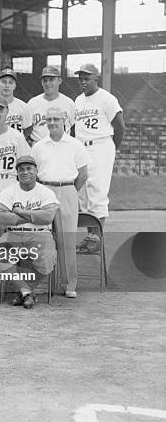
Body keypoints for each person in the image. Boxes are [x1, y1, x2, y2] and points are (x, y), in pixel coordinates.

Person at [32, 107, 89, 298]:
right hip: (45, 191)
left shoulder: (75, 144)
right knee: (42, 239)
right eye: (49, 119)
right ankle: (42, 283)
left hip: (67, 190)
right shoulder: (39, 146)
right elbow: (33, 174)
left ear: (64, 119)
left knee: (67, 240)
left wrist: (69, 190)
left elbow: (83, 174)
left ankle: (69, 283)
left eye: (56, 119)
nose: (53, 122)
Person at [0, 156, 59, 309]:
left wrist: (19, 211)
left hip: (40, 233)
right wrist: (31, 216)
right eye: (21, 169)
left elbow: (47, 217)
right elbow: (2, 217)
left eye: (29, 168)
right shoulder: (8, 192)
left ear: (36, 171)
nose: (25, 172)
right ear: (17, 172)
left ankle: (24, 290)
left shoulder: (46, 192)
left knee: (47, 257)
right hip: (14, 233)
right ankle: (26, 292)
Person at [74, 63, 125, 250]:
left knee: (97, 191)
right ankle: (91, 237)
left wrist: (112, 148)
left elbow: (120, 126)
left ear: (96, 78)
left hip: (100, 145)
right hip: (82, 147)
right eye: (80, 78)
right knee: (84, 194)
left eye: (87, 78)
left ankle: (96, 237)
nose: (83, 82)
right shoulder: (78, 100)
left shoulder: (107, 98)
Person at [27, 66, 76, 144]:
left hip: (62, 146)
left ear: (59, 80)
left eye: (51, 80)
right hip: (38, 145)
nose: (47, 83)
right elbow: (26, 129)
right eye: (45, 80)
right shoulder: (32, 103)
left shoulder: (69, 103)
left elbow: (74, 129)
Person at [0, 68, 32, 141]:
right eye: (4, 82)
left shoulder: (24, 107)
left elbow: (27, 131)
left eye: (10, 82)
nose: (7, 85)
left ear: (14, 86)